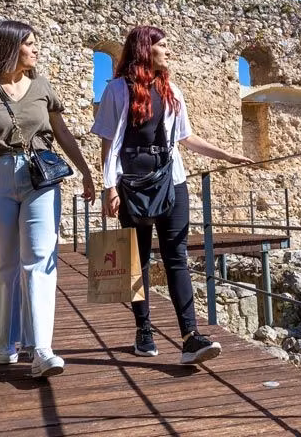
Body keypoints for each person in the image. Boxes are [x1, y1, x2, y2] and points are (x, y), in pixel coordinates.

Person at [91, 25, 253, 364]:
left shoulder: (171, 91)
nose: (169, 51)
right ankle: (144, 330)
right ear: (145, 50)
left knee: (176, 255)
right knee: (138, 261)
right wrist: (109, 186)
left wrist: (226, 155)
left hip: (171, 180)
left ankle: (190, 336)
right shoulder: (117, 91)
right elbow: (108, 142)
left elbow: (186, 138)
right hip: (132, 185)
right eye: (163, 46)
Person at [0, 20, 95, 378]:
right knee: (3, 264)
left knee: (40, 258)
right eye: (30, 44)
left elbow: (62, 133)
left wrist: (84, 170)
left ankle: (42, 349)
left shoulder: (42, 87)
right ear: (10, 47)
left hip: (40, 176)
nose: (36, 50)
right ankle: (5, 343)